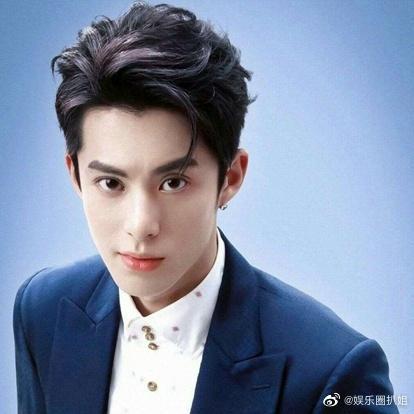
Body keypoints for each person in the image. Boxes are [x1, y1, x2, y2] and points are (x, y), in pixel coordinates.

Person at [13, 2, 398, 413]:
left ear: (230, 177)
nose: (141, 225)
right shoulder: (44, 309)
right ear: (75, 176)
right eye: (111, 183)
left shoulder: (333, 370)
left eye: (173, 182)